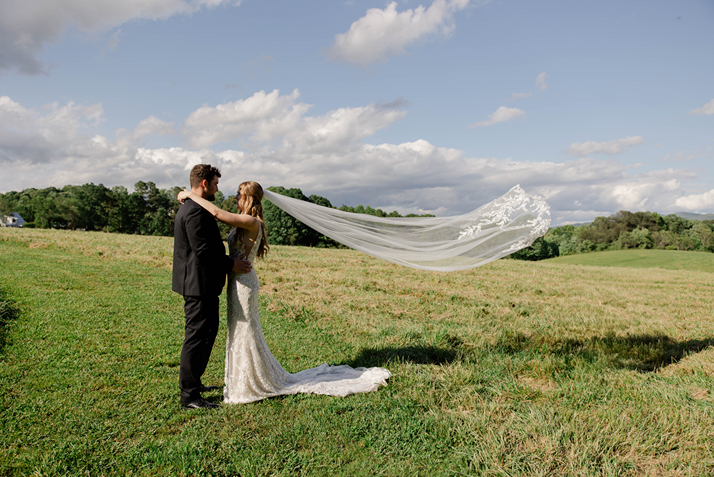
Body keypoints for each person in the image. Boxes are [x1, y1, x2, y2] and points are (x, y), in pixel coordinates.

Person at [177, 181, 390, 404]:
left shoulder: (251, 221)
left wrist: (189, 195)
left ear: (249, 198)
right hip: (236, 281)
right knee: (239, 330)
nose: (236, 198)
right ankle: (243, 378)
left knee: (246, 330)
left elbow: (217, 212)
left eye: (239, 195)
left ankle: (251, 381)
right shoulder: (246, 219)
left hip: (244, 284)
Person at [172, 164, 251, 410]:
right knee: (197, 338)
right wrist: (231, 264)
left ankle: (194, 383)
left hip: (200, 284)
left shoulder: (193, 206)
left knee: (205, 335)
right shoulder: (195, 211)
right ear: (204, 183)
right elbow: (203, 250)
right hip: (198, 285)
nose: (218, 188)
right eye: (215, 183)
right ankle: (189, 396)